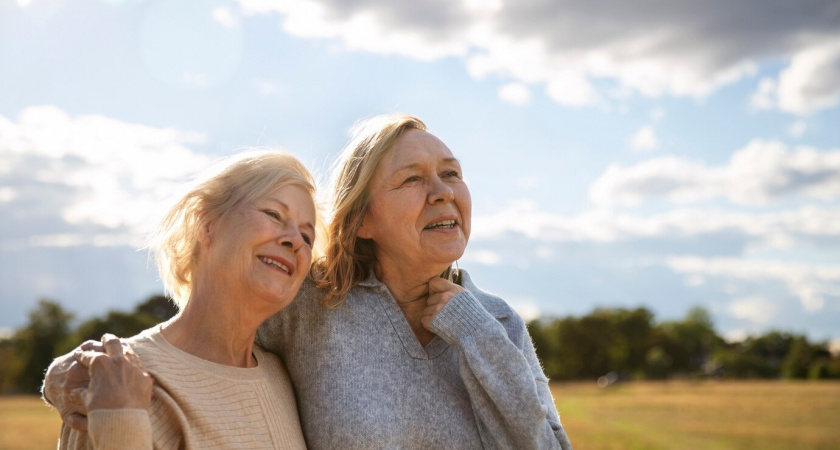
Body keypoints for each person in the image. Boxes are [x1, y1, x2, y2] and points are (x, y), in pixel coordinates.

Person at [45, 114, 573, 449]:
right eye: (412, 179)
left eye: (452, 173)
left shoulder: (496, 320)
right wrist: (74, 372)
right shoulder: (314, 304)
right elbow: (213, 328)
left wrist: (477, 334)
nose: (442, 192)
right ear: (362, 220)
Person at [56, 151, 318, 449]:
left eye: (307, 237)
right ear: (207, 225)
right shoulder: (117, 379)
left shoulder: (286, 377)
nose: (295, 240)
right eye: (273, 214)